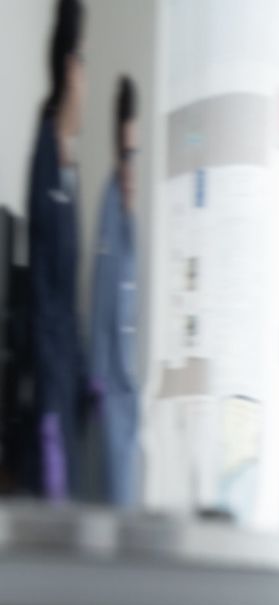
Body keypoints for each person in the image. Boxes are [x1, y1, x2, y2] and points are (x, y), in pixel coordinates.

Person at [28, 0, 88, 502]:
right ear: (71, 70)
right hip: (51, 379)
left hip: (67, 376)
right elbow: (48, 291)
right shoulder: (47, 156)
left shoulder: (69, 165)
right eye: (84, 67)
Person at [88, 74, 140, 506]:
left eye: (135, 154)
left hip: (128, 387)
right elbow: (102, 301)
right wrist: (98, 380)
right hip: (110, 390)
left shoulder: (130, 216)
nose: (131, 168)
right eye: (126, 154)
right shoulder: (112, 209)